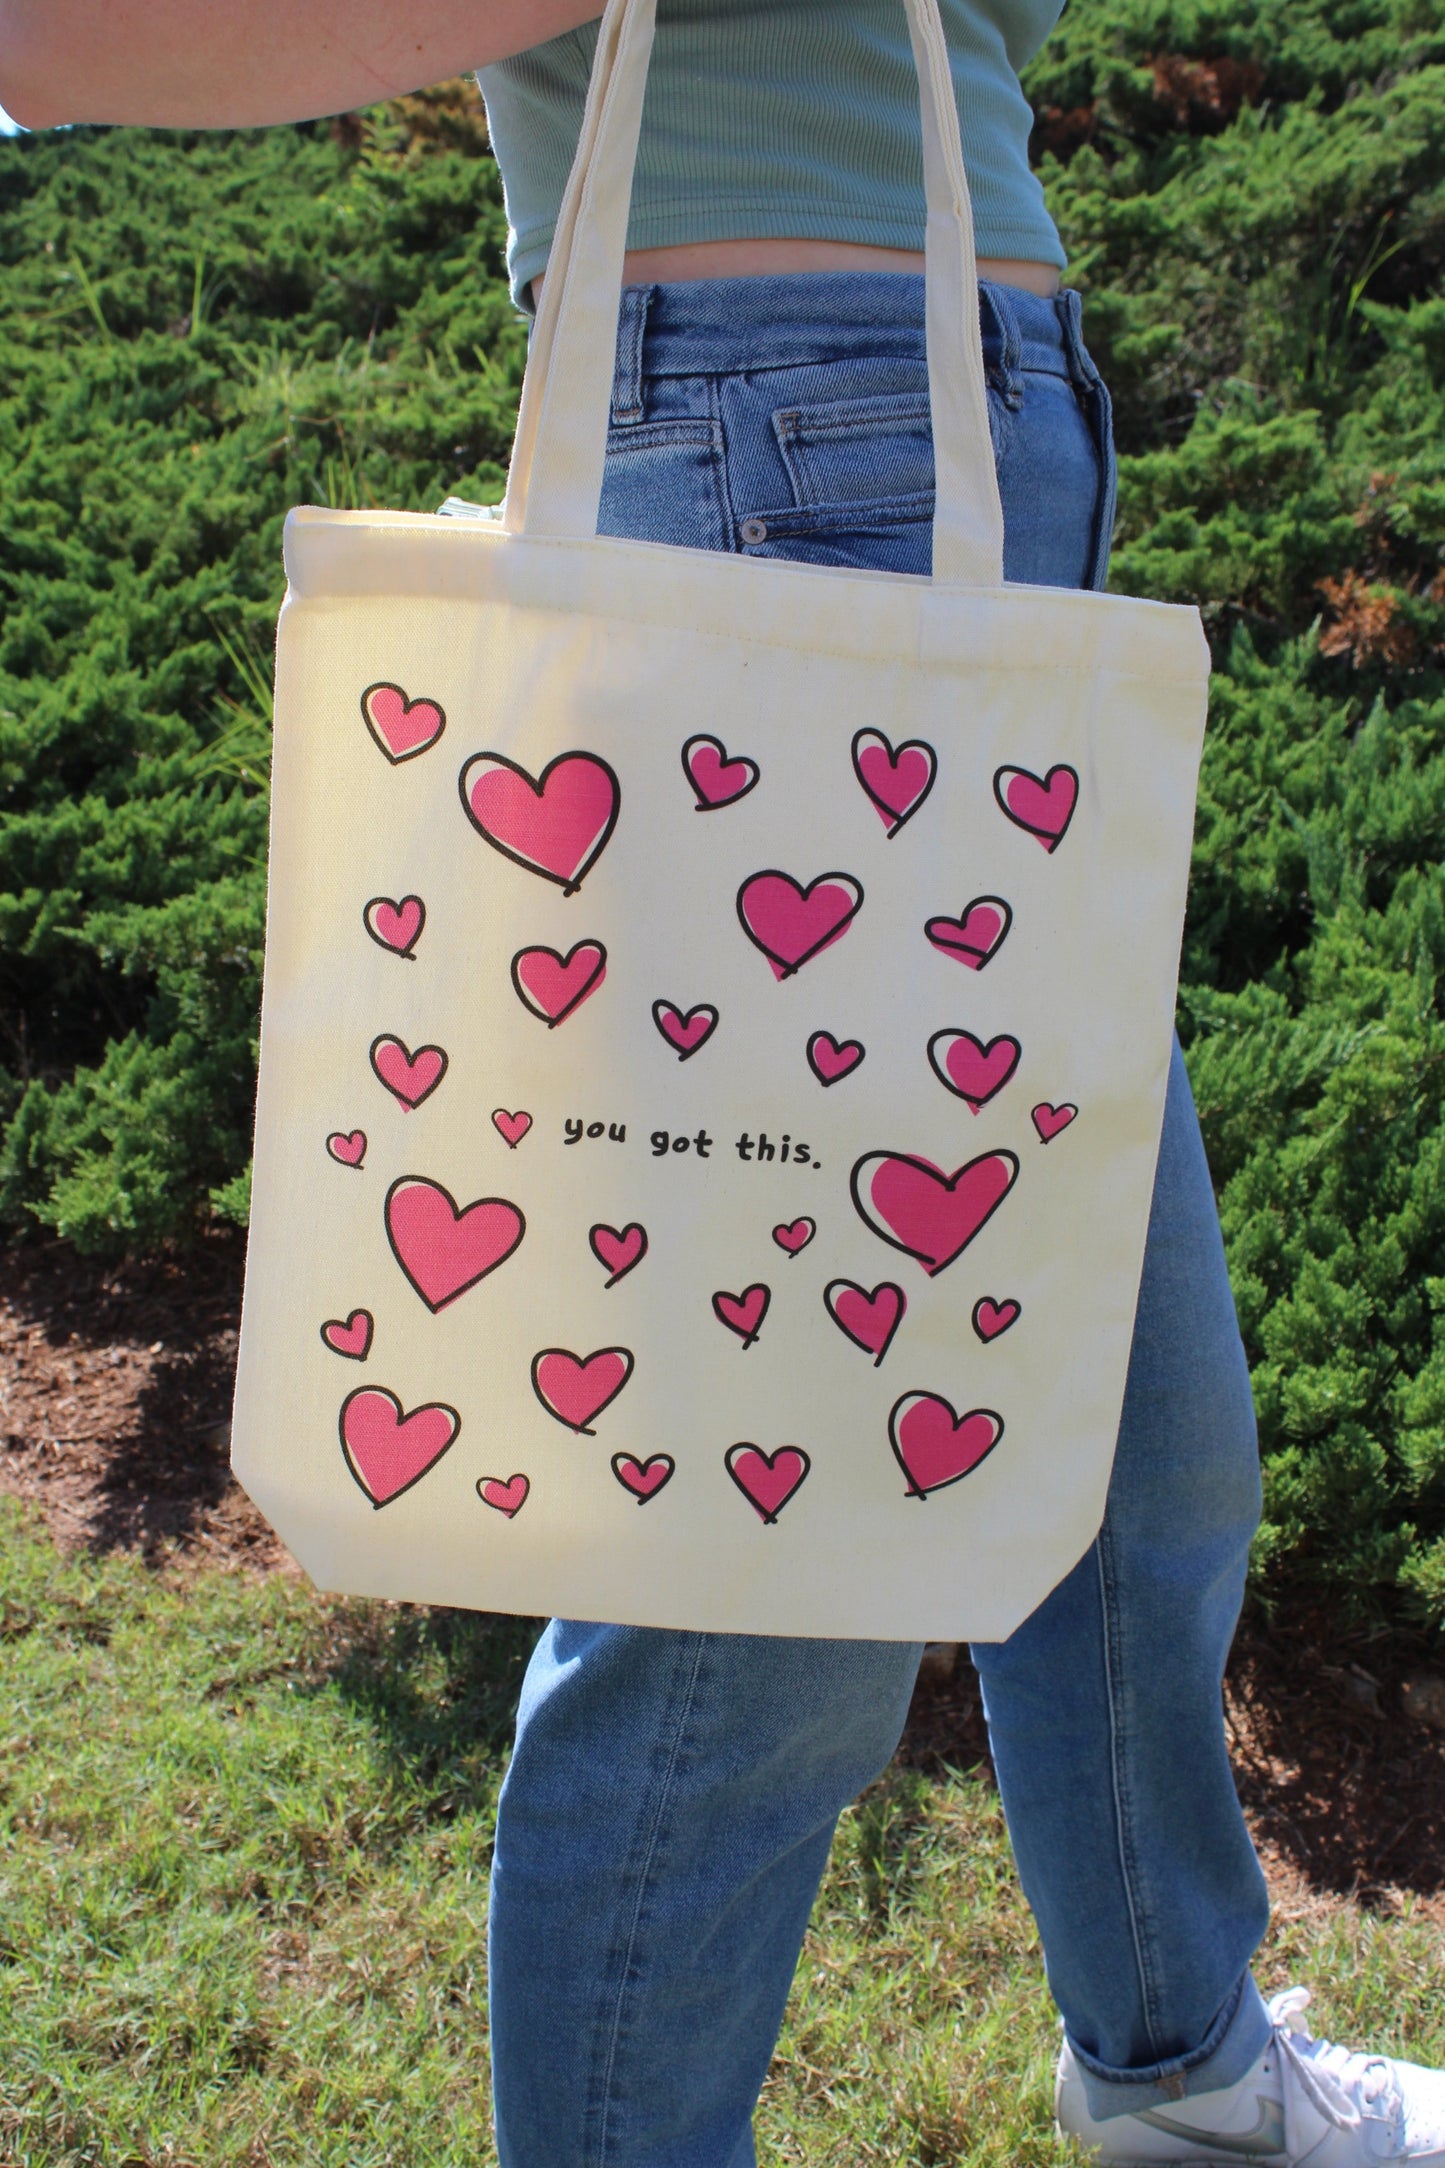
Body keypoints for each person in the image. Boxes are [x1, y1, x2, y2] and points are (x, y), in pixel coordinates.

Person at [6, 5, 1443, 2163]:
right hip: (793, 453)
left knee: (1135, 1441)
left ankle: (1181, 2072)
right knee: (756, 1588)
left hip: (956, 437)